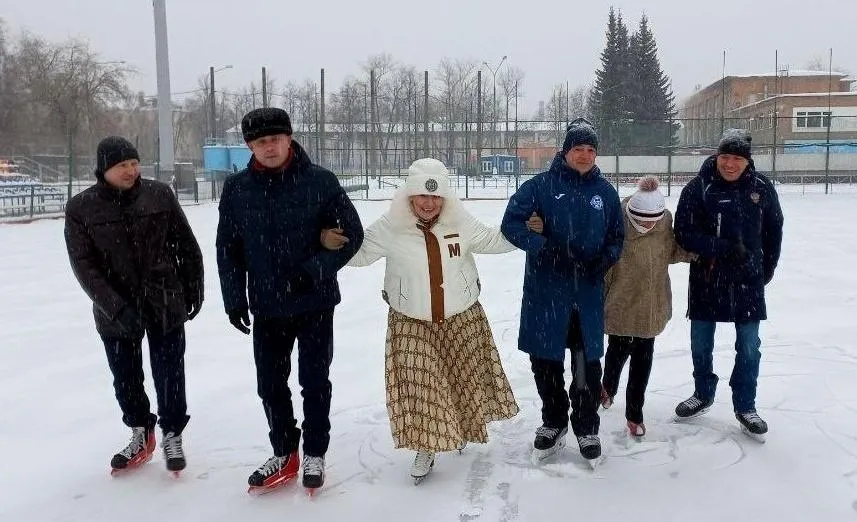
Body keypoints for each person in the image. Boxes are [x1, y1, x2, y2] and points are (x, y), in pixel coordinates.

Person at [321, 158, 519, 482]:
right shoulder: (391, 226)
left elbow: (492, 240)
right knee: (422, 384)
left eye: (435, 196)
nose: (428, 203)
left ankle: (459, 429)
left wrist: (525, 230)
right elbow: (361, 253)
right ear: (409, 195)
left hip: (461, 316)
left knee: (461, 379)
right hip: (410, 320)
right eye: (422, 196)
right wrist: (330, 244)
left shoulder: (459, 221)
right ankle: (427, 446)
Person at [216, 107, 364, 491]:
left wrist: (312, 270)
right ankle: (284, 451)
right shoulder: (237, 189)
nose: (270, 147)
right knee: (270, 384)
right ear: (249, 146)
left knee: (314, 381)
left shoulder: (320, 181)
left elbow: (353, 234)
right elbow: (228, 248)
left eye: (276, 139)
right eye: (261, 141)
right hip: (266, 305)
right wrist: (234, 298)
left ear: (289, 138)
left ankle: (314, 451)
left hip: (314, 302)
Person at [64, 136, 204, 474]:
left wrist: (193, 287)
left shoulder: (159, 194)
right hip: (115, 309)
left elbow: (185, 244)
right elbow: (84, 266)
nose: (130, 171)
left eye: (133, 163)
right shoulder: (81, 208)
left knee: (170, 373)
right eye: (121, 165)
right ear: (104, 169)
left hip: (164, 299)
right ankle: (141, 430)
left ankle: (172, 433)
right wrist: (115, 307)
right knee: (125, 377)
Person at [500, 118, 624, 464]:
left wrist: (604, 260)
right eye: (578, 148)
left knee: (585, 366)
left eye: (590, 149)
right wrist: (542, 247)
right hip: (547, 293)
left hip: (586, 296)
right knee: (546, 363)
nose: (584, 155)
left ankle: (586, 425)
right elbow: (510, 224)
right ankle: (553, 422)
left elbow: (617, 237)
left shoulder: (605, 193)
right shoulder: (539, 186)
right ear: (565, 151)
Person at [672, 129, 783, 439]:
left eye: (737, 159)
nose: (730, 164)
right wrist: (722, 248)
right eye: (725, 157)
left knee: (748, 346)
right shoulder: (698, 188)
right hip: (707, 278)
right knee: (700, 343)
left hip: (748, 280)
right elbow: (683, 233)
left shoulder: (761, 188)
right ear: (716, 156)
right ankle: (703, 392)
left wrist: (767, 267)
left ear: (747, 161)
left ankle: (746, 405)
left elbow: (774, 229)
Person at [598, 176, 695, 437]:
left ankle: (634, 415)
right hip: (621, 302)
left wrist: (696, 252)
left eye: (652, 220)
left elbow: (671, 251)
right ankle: (608, 387)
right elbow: (603, 266)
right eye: (641, 220)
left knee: (642, 363)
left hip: (651, 305)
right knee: (617, 352)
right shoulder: (615, 225)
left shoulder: (663, 224)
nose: (647, 225)